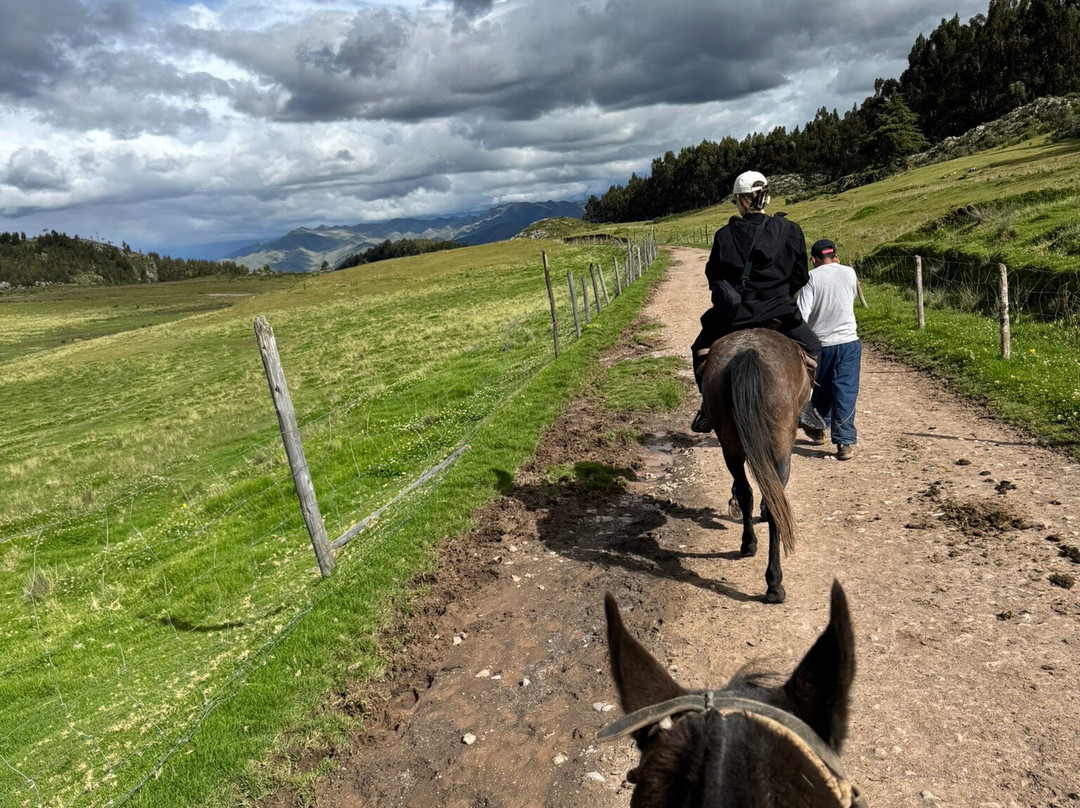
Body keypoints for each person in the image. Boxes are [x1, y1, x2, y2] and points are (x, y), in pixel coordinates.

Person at [690, 170, 823, 433]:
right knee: (814, 346)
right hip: (780, 313)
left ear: (740, 200)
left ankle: (707, 409)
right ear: (767, 198)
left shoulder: (724, 235)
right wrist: (781, 296)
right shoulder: (791, 230)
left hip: (735, 315)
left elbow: (714, 277)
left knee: (699, 350)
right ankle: (806, 406)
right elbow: (800, 276)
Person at [797, 239, 862, 461]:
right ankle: (844, 442)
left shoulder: (810, 278)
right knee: (845, 390)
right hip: (848, 342)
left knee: (819, 388)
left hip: (820, 344)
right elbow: (850, 299)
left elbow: (802, 315)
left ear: (813, 259)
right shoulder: (849, 273)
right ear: (835, 256)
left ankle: (817, 427)